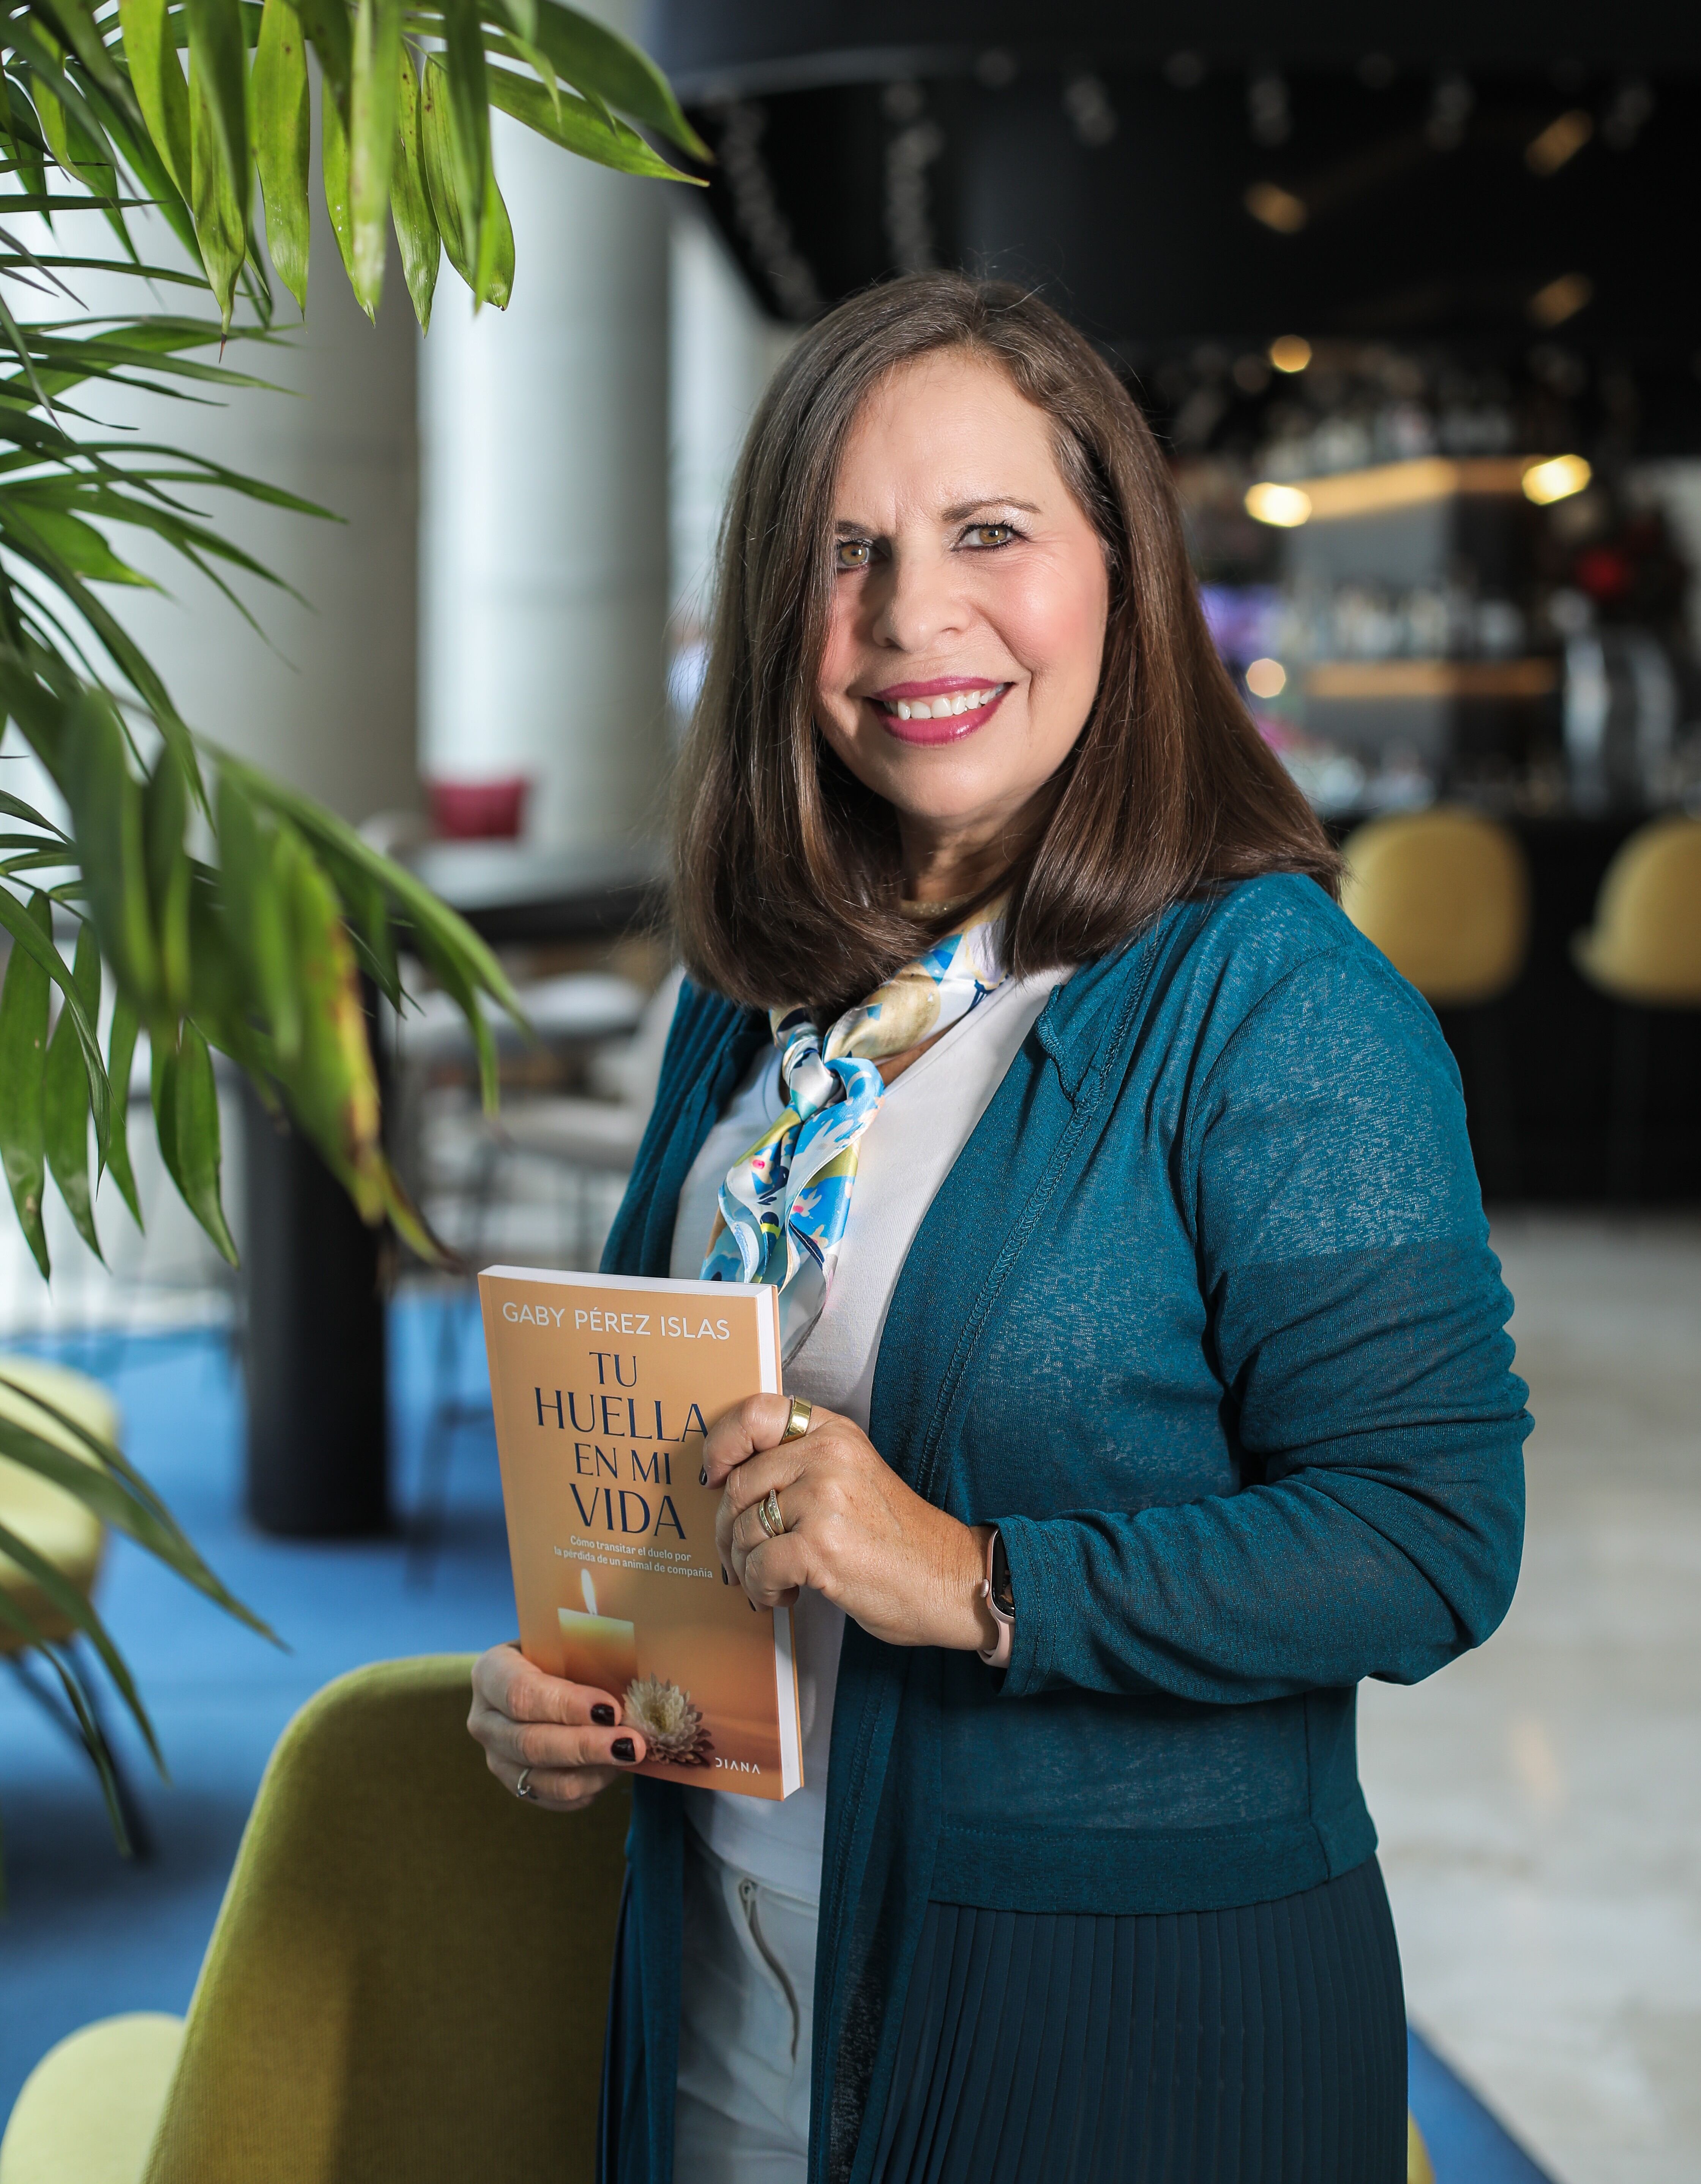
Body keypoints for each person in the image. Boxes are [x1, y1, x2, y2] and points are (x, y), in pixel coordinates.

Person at [468, 273, 1529, 2184]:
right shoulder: (757, 997)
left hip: (1112, 2033)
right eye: (845, 553)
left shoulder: (1274, 1004)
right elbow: (670, 1452)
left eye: (988, 535)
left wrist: (975, 1576)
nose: (910, 620)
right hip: (715, 1969)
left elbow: (1429, 1540)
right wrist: (576, 1676)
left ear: (1123, 568)